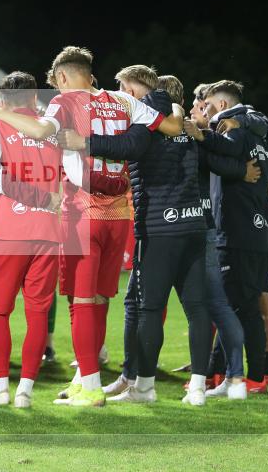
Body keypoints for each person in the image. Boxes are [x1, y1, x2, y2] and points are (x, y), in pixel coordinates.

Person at [0, 47, 182, 408]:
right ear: (90, 73)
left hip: (82, 210)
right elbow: (171, 126)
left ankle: (90, 387)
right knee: (97, 300)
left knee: (82, 300)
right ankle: (81, 380)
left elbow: (41, 130)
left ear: (60, 78)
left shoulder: (64, 102)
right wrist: (175, 106)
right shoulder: (123, 100)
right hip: (119, 214)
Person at [72, 70, 212, 405]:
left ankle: (144, 388)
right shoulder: (178, 116)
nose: (121, 94)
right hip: (193, 223)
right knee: (196, 306)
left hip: (159, 227)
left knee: (147, 308)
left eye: (124, 87)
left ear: (140, 89)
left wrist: (85, 141)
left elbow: (128, 146)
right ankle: (197, 388)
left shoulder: (147, 118)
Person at [0, 72, 63, 408]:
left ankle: (0, 389)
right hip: (47, 231)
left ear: (3, 100)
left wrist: (0, 180)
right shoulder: (52, 129)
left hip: (9, 230)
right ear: (32, 97)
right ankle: (25, 391)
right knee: (38, 313)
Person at [185, 80, 268, 394]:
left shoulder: (233, 125)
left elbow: (228, 148)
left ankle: (255, 378)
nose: (204, 111)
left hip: (238, 232)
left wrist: (201, 134)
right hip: (254, 230)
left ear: (221, 106)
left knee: (242, 309)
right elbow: (229, 158)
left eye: (207, 105)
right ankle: (224, 374)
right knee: (234, 305)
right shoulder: (255, 129)